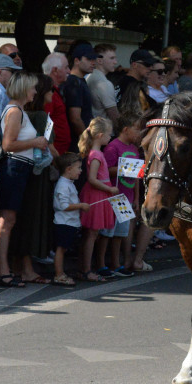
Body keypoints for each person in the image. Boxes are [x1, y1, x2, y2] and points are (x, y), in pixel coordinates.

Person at [0, 71, 49, 287]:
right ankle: (3, 270)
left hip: (19, 168)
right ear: (24, 88)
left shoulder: (18, 110)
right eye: (33, 87)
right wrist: (35, 142)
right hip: (13, 167)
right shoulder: (15, 111)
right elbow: (8, 145)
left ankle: (7, 269)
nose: (35, 91)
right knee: (7, 219)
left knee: (10, 219)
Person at [9, 74, 59, 285]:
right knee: (32, 220)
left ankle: (18, 266)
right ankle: (26, 268)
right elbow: (50, 148)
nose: (52, 93)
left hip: (24, 170)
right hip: (37, 175)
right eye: (50, 89)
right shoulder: (39, 117)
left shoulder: (25, 113)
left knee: (21, 220)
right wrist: (66, 163)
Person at [102, 114, 143, 278]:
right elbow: (106, 169)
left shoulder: (134, 149)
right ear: (125, 129)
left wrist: (136, 198)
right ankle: (106, 264)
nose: (139, 133)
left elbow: (137, 176)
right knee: (108, 233)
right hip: (115, 196)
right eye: (137, 129)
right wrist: (125, 168)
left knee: (121, 233)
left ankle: (116, 264)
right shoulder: (113, 147)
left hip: (128, 197)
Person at [77, 117, 117, 282]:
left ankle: (86, 268)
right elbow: (92, 179)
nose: (110, 137)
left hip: (100, 194)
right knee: (92, 234)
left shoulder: (96, 153)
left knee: (93, 234)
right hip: (97, 194)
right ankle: (86, 270)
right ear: (100, 135)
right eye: (108, 134)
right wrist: (109, 189)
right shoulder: (96, 154)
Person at [52, 152, 88, 286]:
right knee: (61, 249)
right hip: (64, 223)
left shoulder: (69, 183)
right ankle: (59, 274)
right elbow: (63, 205)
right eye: (78, 168)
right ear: (68, 169)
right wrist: (81, 205)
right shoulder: (63, 185)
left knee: (64, 248)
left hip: (69, 222)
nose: (81, 171)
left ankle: (60, 273)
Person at [40, 52, 73, 154]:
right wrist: (54, 154)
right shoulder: (48, 93)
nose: (69, 71)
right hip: (52, 154)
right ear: (55, 70)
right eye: (66, 67)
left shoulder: (54, 91)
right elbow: (44, 125)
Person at [88, 43, 119, 121]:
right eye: (112, 58)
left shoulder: (89, 76)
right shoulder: (104, 84)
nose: (115, 62)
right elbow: (114, 116)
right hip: (103, 130)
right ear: (99, 60)